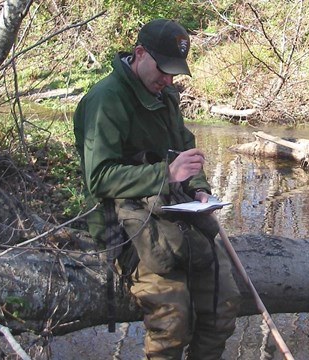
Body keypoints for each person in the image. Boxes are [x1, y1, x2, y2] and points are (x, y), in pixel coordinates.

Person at [73, 18, 241, 360]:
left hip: (174, 211)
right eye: (163, 69)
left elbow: (184, 150)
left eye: (174, 72)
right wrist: (165, 173)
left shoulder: (165, 96)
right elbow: (100, 178)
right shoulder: (106, 100)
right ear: (139, 54)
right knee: (172, 322)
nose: (168, 79)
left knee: (223, 307)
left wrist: (198, 190)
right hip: (123, 221)